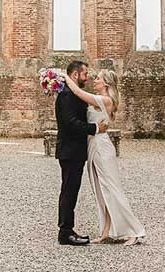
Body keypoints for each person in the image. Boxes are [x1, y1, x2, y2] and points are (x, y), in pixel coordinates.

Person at [62, 68, 146, 245]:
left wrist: (63, 77)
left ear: (106, 83)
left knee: (112, 188)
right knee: (101, 190)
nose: (95, 80)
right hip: (93, 146)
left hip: (101, 147)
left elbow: (78, 92)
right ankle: (106, 231)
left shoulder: (106, 100)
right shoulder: (99, 99)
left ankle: (134, 231)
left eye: (98, 79)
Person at [55, 59, 107, 246]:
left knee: (71, 191)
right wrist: (94, 128)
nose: (87, 77)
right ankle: (65, 232)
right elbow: (70, 124)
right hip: (70, 151)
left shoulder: (72, 93)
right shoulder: (67, 95)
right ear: (75, 75)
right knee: (69, 191)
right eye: (85, 74)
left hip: (74, 151)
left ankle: (67, 229)